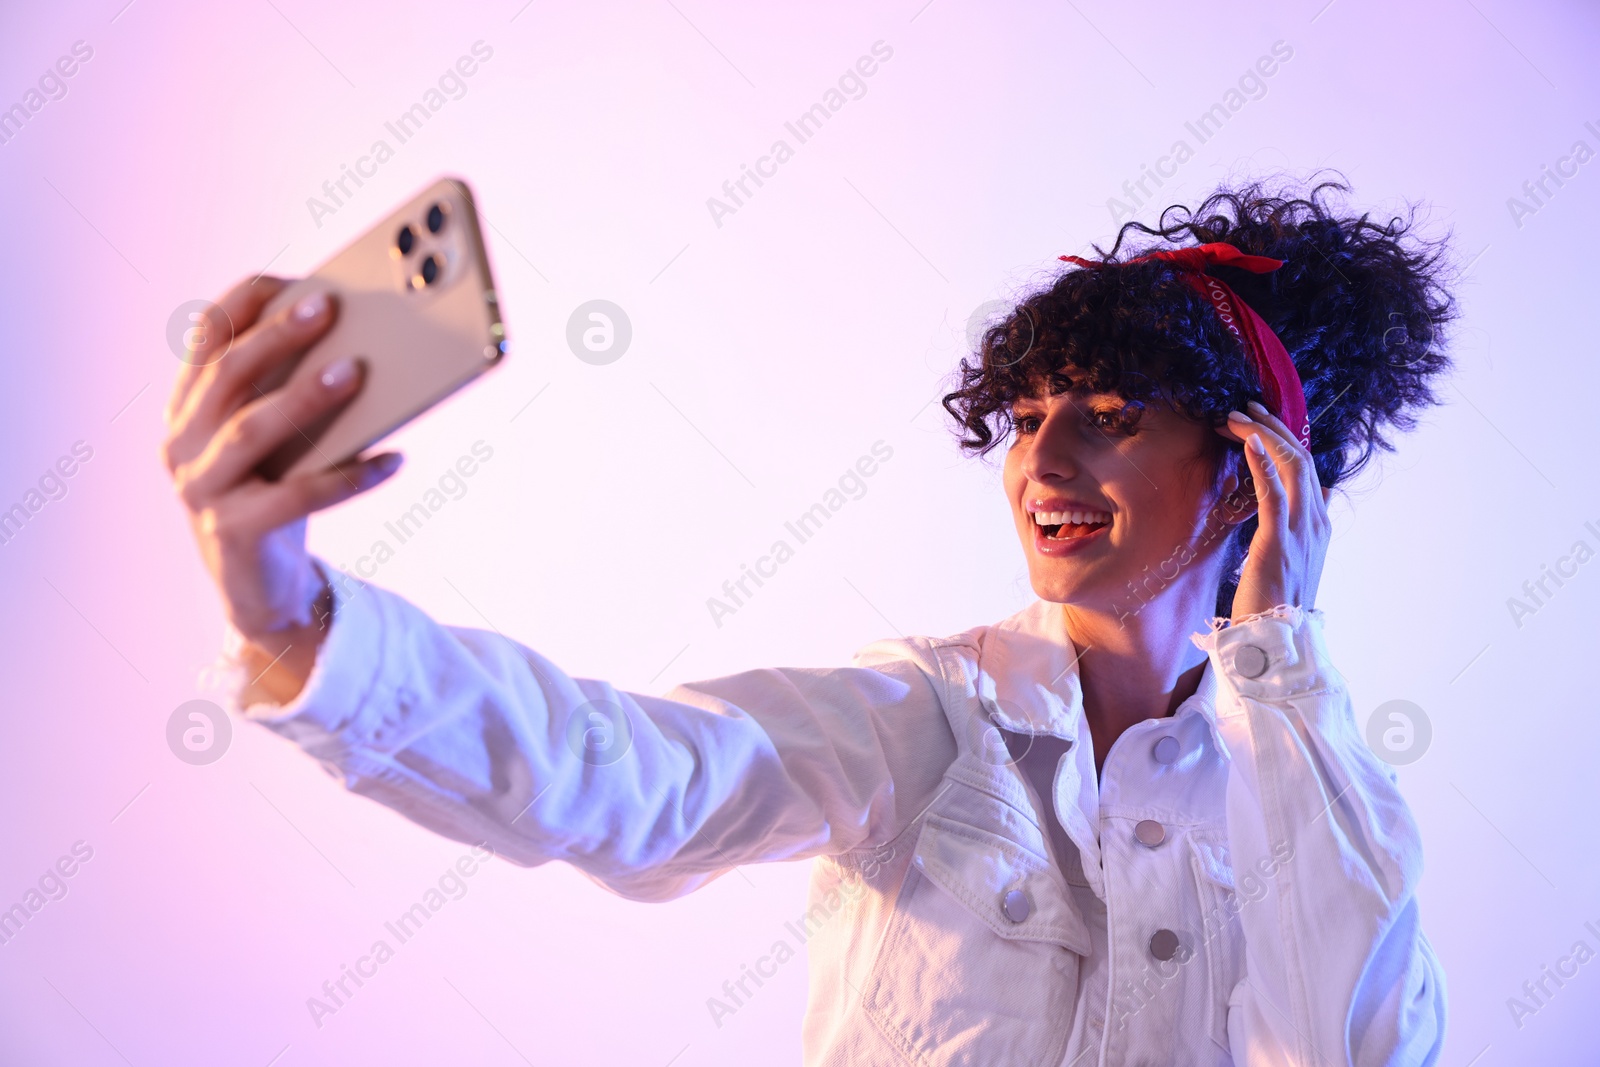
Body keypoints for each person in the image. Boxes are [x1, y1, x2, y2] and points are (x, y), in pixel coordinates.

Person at [163, 176, 1453, 1065]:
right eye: (1024, 419)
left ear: (1247, 470)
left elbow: (1361, 1041)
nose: (1043, 464)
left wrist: (1281, 670)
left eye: (1110, 417)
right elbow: (622, 778)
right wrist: (284, 611)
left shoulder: (1309, 780)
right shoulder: (928, 719)